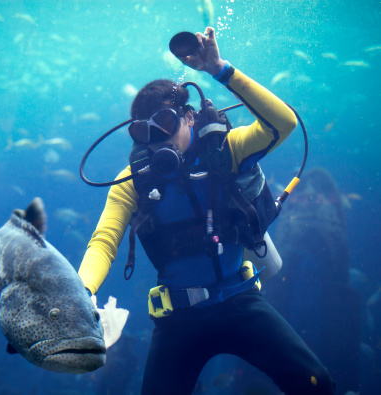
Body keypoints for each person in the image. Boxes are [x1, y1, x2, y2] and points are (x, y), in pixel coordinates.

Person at [78, 27, 335, 395]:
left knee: (316, 383)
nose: (157, 140)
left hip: (240, 299)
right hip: (178, 319)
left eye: (165, 124)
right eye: (143, 133)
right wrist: (83, 290)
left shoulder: (226, 150)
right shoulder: (132, 181)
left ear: (188, 117)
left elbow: (284, 123)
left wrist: (220, 70)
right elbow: (104, 241)